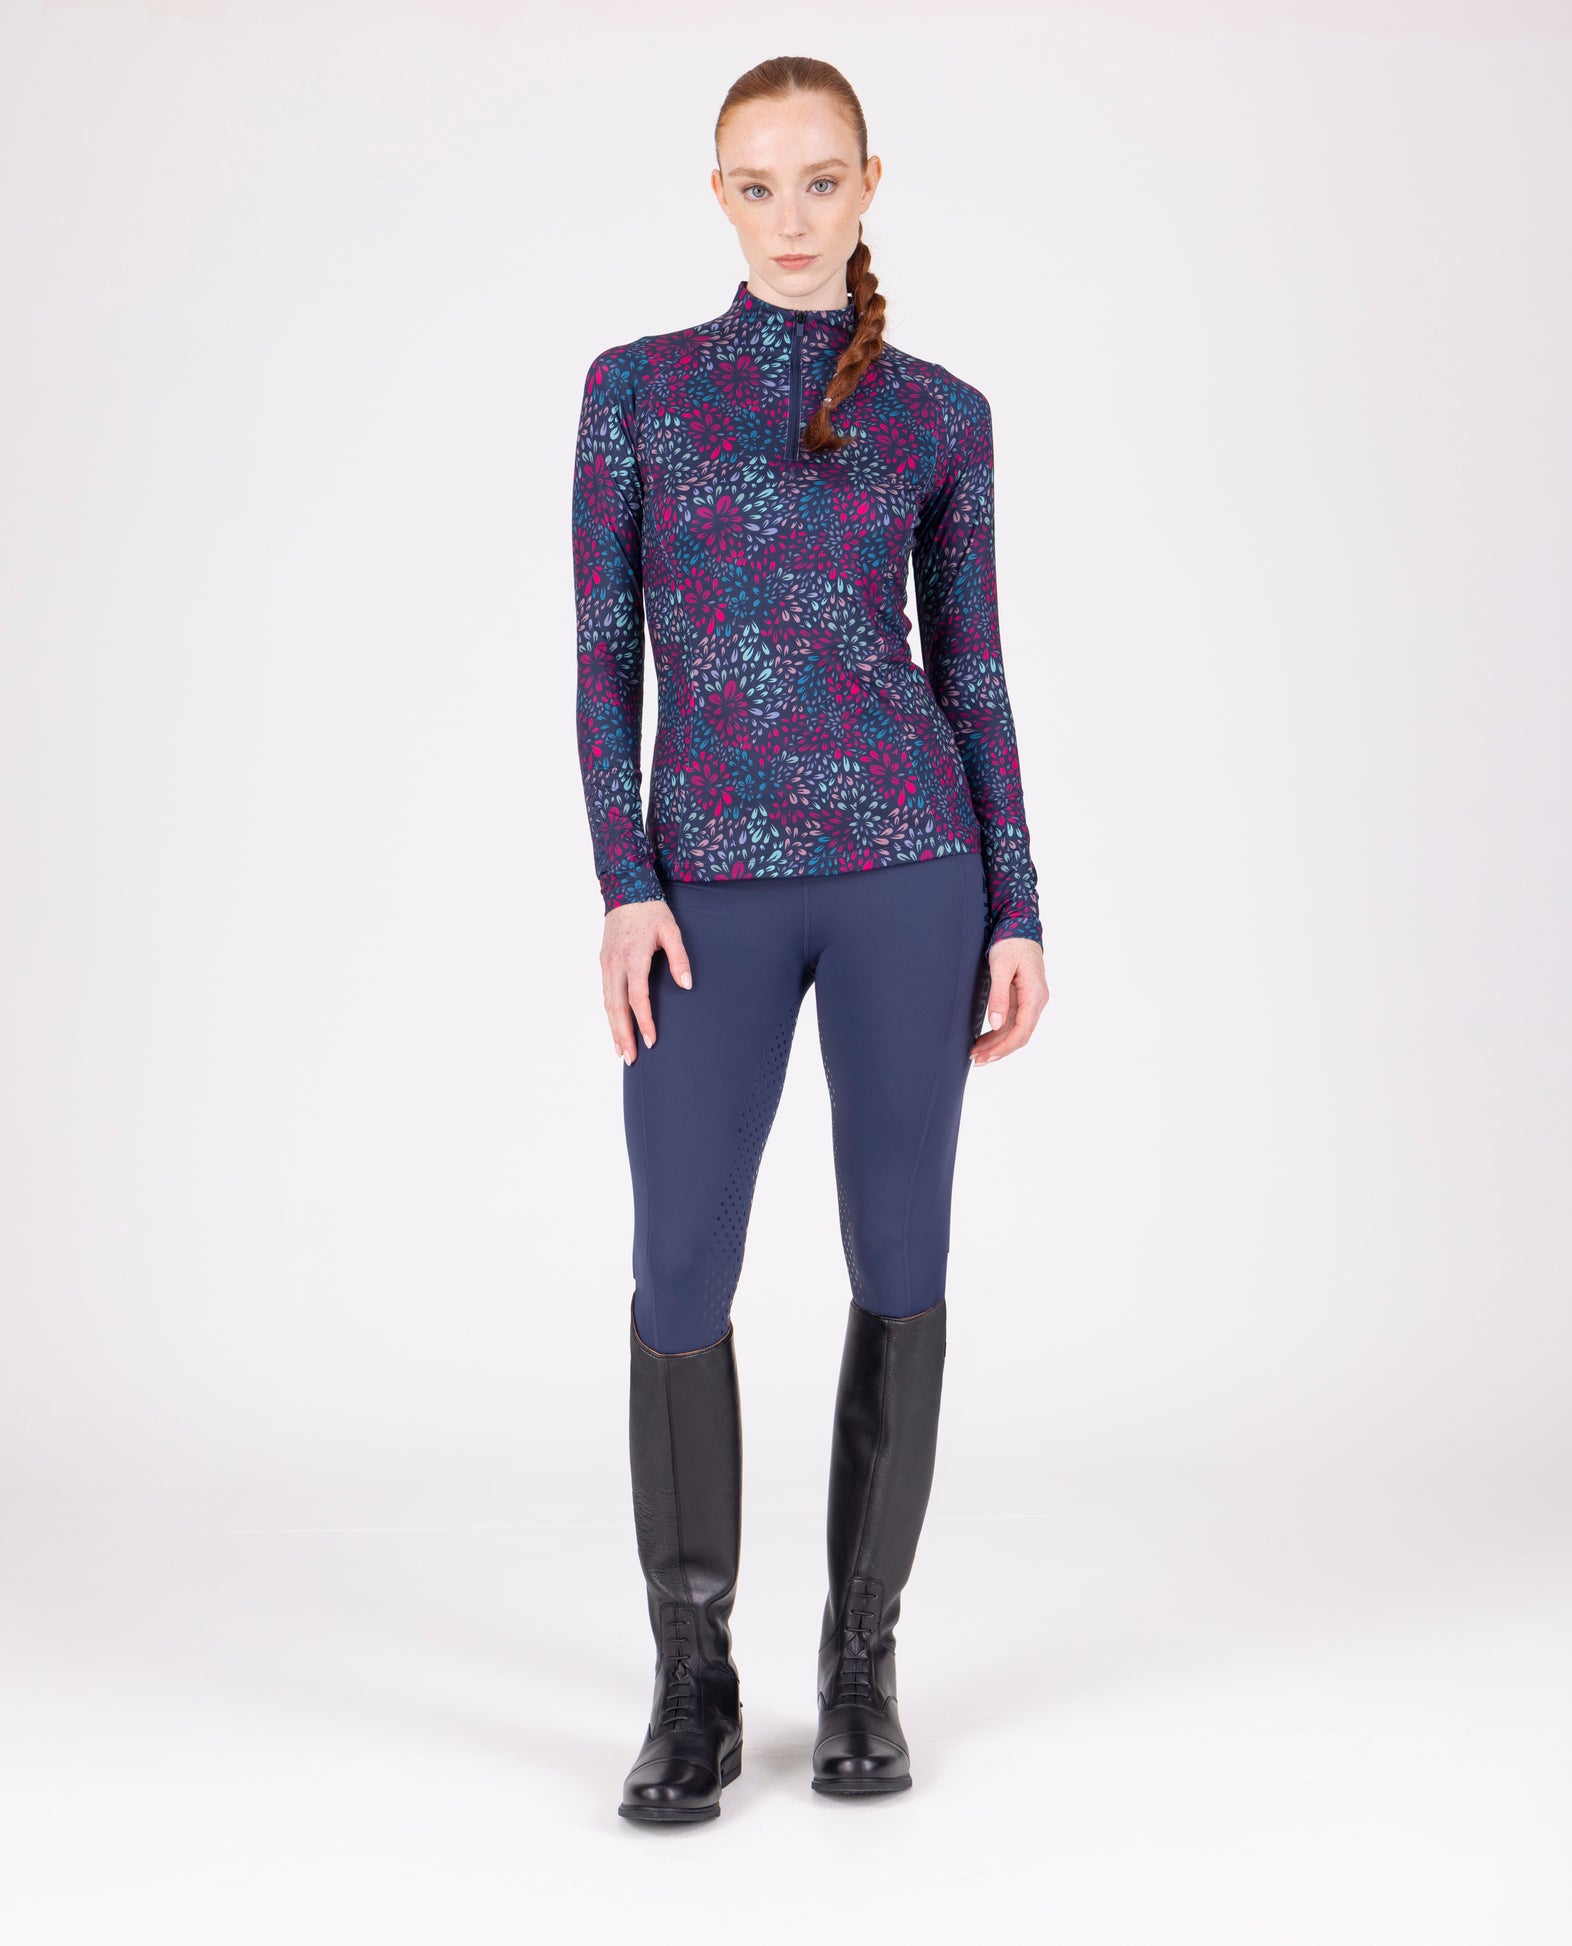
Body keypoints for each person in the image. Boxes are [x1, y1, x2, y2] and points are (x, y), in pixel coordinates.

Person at [571, 54, 1049, 1825]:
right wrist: (624, 879)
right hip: (703, 890)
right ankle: (691, 1678)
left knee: (899, 1253)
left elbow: (973, 669)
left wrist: (1017, 901)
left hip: (911, 873)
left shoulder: (939, 414)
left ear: (867, 186)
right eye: (758, 185)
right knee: (680, 1265)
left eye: (820, 181)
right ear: (718, 195)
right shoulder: (637, 391)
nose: (791, 216)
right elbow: (601, 656)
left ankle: (860, 1658)